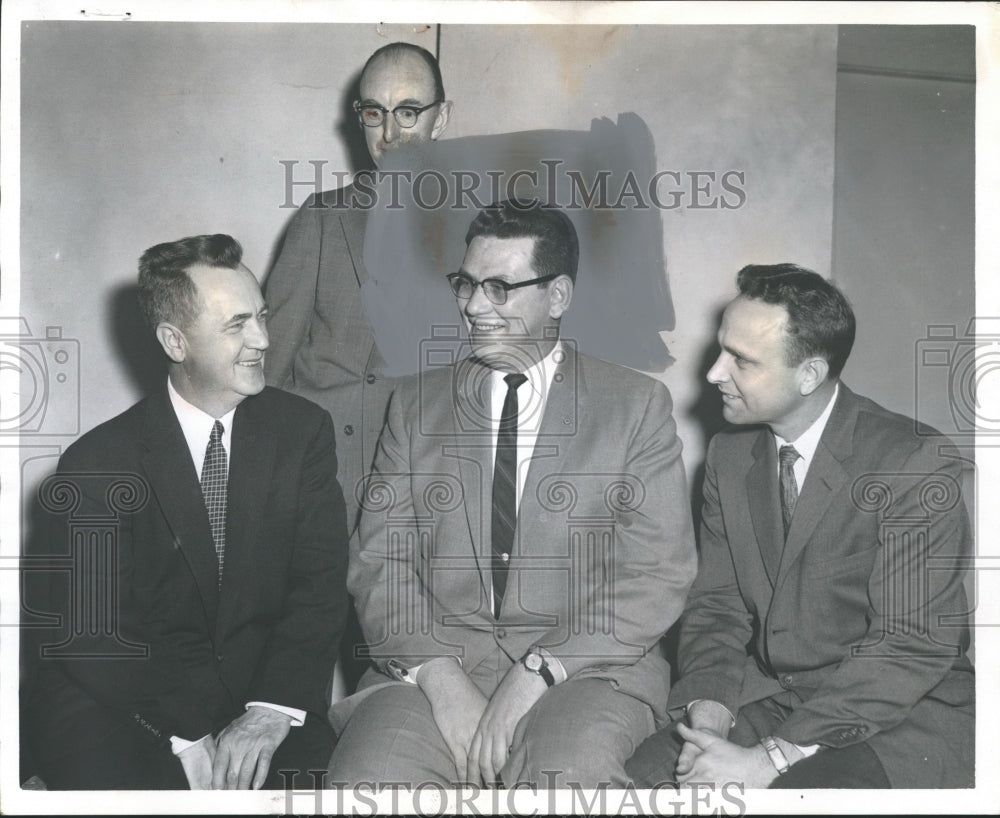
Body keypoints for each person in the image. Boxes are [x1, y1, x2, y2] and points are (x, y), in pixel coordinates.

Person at [326, 200, 697, 788]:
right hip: (430, 670)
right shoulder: (415, 405)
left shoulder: (634, 407)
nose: (474, 306)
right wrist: (442, 681)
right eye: (467, 284)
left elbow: (657, 573)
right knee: (369, 785)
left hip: (584, 670)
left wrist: (537, 671)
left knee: (565, 781)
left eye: (499, 288)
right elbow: (379, 563)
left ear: (558, 297)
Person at [626, 264, 975, 789]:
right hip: (773, 698)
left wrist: (767, 760)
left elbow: (909, 647)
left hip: (898, 717)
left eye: (741, 360)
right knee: (632, 785)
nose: (715, 373)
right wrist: (711, 714)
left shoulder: (914, 463)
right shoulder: (729, 454)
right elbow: (716, 606)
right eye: (722, 349)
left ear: (808, 375)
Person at [23, 234, 349, 790]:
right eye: (237, 325)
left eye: (262, 317)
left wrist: (271, 711)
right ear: (176, 341)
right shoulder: (97, 463)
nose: (264, 339)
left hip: (260, 700)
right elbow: (93, 635)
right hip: (124, 704)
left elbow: (317, 592)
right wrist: (186, 734)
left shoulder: (303, 434)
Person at [264, 41, 453, 530]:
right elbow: (266, 366)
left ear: (442, 118)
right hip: (317, 485)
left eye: (408, 112)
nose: (389, 133)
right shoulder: (321, 219)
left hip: (420, 490)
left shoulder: (482, 232)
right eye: (375, 112)